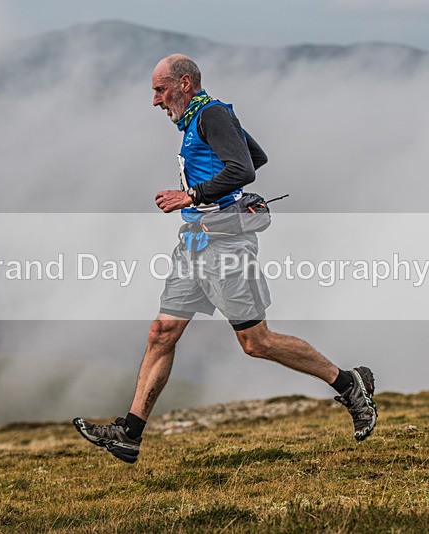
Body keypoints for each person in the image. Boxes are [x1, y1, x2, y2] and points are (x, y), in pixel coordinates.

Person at [73, 55, 376, 464]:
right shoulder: (201, 117)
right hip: (195, 244)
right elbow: (255, 158)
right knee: (162, 332)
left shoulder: (211, 114)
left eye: (160, 90)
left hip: (227, 247)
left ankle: (348, 384)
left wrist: (193, 195)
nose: (156, 101)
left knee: (256, 342)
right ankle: (130, 433)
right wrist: (217, 192)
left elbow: (245, 169)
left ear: (184, 83)